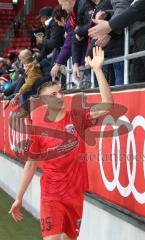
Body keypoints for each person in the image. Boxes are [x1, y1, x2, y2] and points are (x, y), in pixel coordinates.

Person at [9, 46, 113, 240]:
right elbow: (31, 164)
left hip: (75, 195)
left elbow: (108, 106)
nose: (60, 96)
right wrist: (19, 197)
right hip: (51, 195)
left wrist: (98, 69)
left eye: (60, 92)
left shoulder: (77, 117)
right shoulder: (38, 129)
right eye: (54, 95)